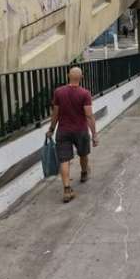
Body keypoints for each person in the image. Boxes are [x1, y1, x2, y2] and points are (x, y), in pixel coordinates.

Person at [46, 66, 98, 203]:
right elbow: (89, 115)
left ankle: (67, 189)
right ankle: (84, 173)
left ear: (68, 76)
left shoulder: (58, 92)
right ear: (81, 78)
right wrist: (94, 134)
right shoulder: (85, 93)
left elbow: (55, 113)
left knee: (64, 160)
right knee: (83, 154)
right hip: (80, 130)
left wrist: (51, 129)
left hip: (63, 131)